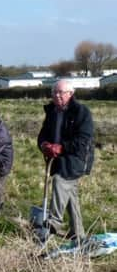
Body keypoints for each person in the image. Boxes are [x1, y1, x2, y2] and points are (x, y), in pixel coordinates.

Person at [37, 79, 94, 243]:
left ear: (70, 94)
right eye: (54, 92)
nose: (56, 95)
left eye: (60, 92)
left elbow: (83, 141)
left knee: (60, 182)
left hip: (76, 159)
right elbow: (42, 135)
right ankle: (79, 235)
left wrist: (61, 148)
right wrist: (44, 145)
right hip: (57, 159)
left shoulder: (81, 112)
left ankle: (52, 224)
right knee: (70, 197)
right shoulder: (52, 112)